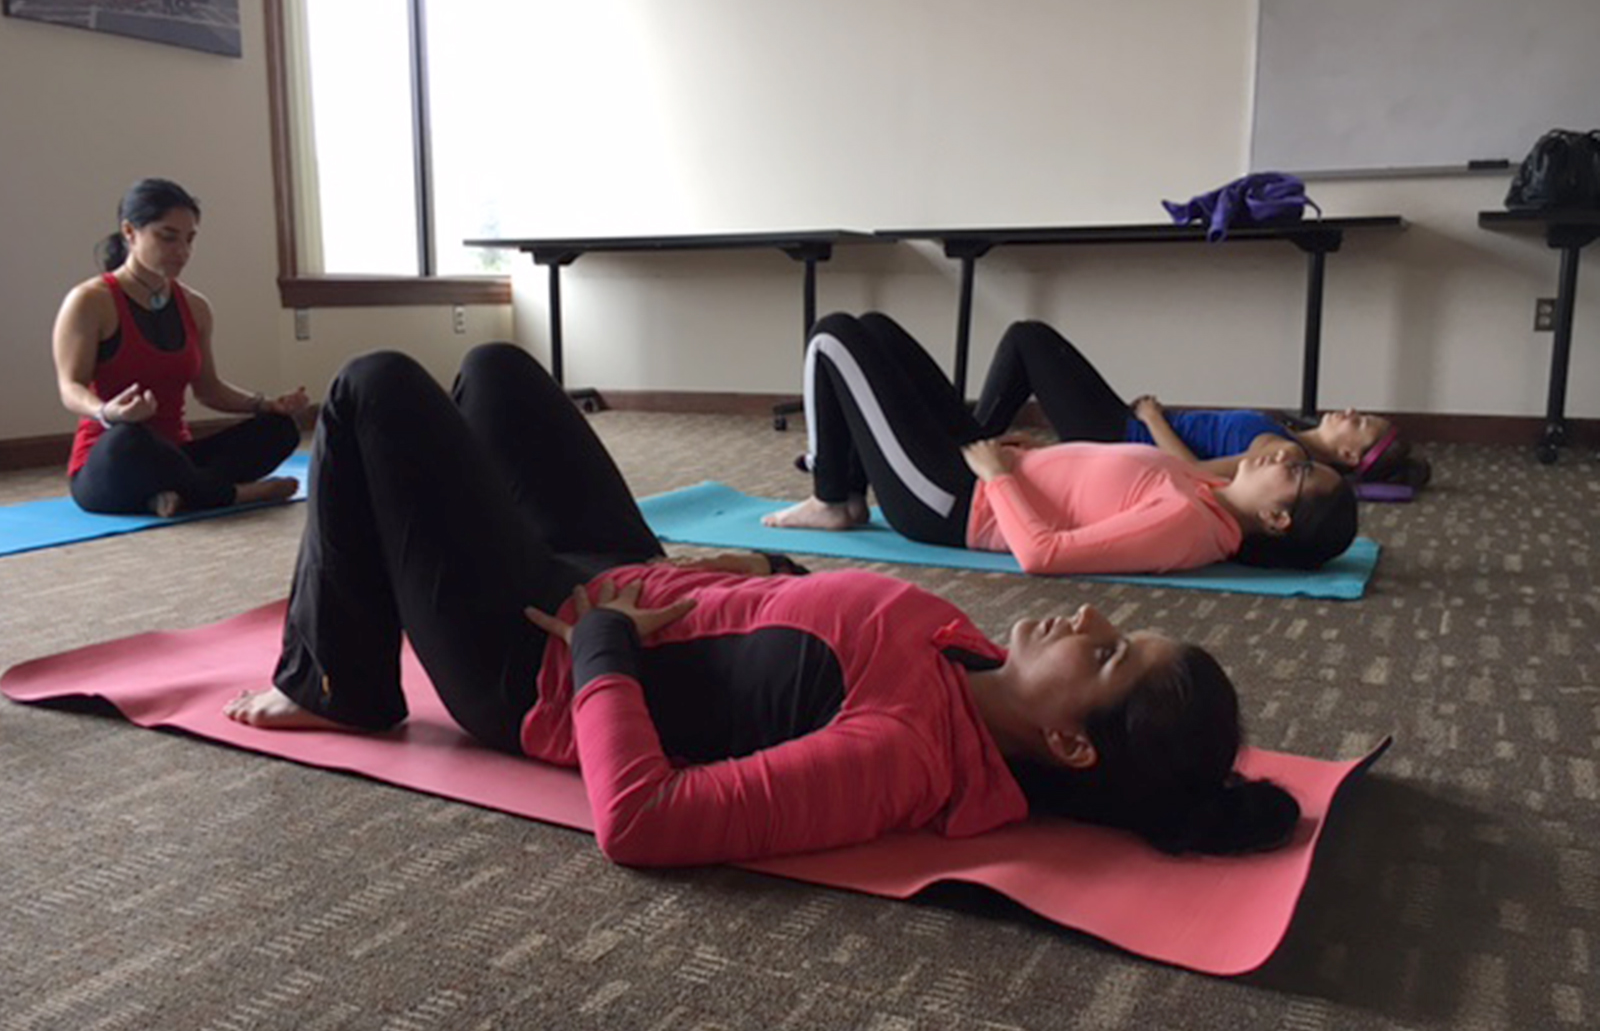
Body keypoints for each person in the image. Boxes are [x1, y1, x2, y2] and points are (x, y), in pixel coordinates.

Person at [223, 342, 1301, 866]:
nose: (1086, 619)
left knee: (370, 388)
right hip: (629, 571)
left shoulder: (903, 757)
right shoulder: (973, 654)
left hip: (536, 658)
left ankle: (336, 681)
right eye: (1114, 626)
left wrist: (601, 650)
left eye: (1106, 657)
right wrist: (758, 581)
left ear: (1070, 745)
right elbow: (814, 626)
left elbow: (643, 824)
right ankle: (426, 558)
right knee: (498, 371)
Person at [766, 313, 1359, 576]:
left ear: (1278, 518)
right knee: (876, 330)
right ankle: (842, 482)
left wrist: (1000, 477)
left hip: (949, 503)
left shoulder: (1187, 524)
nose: (1285, 454)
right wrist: (1029, 459)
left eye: (1299, 472)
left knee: (833, 338)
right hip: (985, 466)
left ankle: (833, 498)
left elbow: (1045, 556)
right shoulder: (1210, 495)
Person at [51, 178, 309, 517]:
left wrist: (266, 405)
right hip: (112, 461)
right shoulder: (90, 301)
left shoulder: (195, 307)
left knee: (279, 430)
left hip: (177, 455)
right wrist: (108, 413)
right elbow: (70, 388)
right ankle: (234, 494)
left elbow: (209, 389)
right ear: (130, 232)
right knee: (129, 438)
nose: (182, 251)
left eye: (189, 239)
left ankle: (174, 493)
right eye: (167, 237)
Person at [975, 319, 1431, 492]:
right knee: (1030, 344)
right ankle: (976, 438)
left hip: (1120, 439)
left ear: (1350, 456)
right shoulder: (1289, 436)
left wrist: (1154, 419)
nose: (1351, 411)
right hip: (1122, 427)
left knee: (1028, 340)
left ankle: (970, 443)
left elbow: (1191, 474)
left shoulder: (1286, 454)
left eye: (1361, 423)